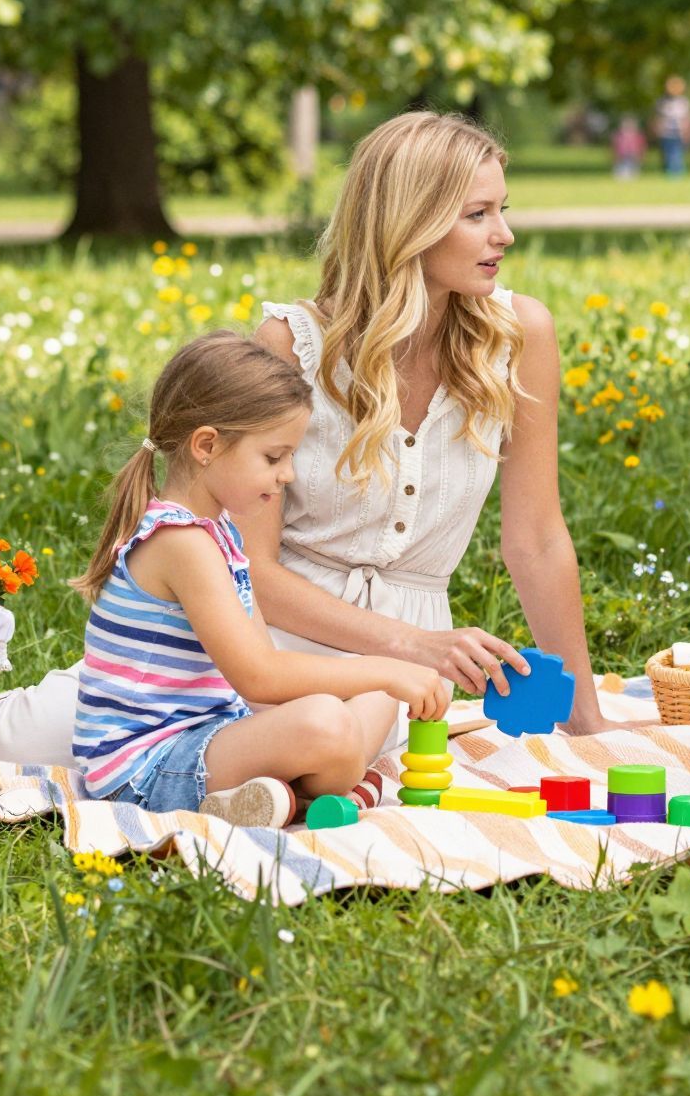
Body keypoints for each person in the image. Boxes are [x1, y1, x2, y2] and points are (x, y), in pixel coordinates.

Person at [0, 111, 611, 764]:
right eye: (476, 215)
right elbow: (254, 565)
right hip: (262, 636)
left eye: (501, 209)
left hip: (400, 664)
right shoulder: (293, 343)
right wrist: (408, 646)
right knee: (25, 741)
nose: (503, 234)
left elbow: (535, 540)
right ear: (408, 222)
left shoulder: (518, 336)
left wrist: (586, 721)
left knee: (315, 748)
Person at [71, 331, 447, 828]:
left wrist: (381, 679)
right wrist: (384, 668)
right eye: (273, 457)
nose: (287, 473)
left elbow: (260, 683)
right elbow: (259, 675)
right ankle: (299, 794)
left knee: (376, 702)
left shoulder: (219, 532)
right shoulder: (181, 542)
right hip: (145, 769)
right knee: (334, 721)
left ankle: (275, 796)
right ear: (207, 445)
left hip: (211, 733)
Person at [650, 76, 690, 176]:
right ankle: (669, 172)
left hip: (679, 132)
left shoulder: (684, 102)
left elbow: (687, 119)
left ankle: (677, 173)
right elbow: (657, 118)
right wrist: (656, 129)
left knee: (677, 154)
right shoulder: (662, 102)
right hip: (666, 132)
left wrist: (689, 132)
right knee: (667, 154)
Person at [611, 115, 647, 179]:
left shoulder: (638, 135)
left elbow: (642, 146)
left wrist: (641, 156)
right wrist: (615, 156)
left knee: (633, 169)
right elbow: (615, 146)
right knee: (621, 170)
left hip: (633, 155)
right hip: (622, 155)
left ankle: (631, 175)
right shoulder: (619, 135)